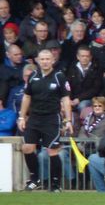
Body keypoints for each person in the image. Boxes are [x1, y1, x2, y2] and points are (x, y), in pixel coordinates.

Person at [17, 48, 72, 191]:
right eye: (42, 59)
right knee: (27, 148)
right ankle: (35, 179)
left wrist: (68, 120)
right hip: (34, 118)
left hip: (51, 118)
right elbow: (27, 97)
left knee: (52, 151)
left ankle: (55, 184)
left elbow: (66, 99)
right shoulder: (33, 76)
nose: (45, 61)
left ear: (53, 60)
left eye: (48, 59)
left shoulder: (59, 76)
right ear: (37, 60)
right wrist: (22, 116)